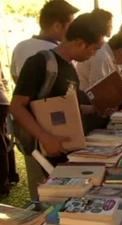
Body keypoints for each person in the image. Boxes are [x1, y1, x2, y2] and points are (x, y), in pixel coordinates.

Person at [10, 13, 105, 200]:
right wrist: (45, 137)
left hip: (63, 149)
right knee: (45, 200)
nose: (93, 54)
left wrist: (93, 109)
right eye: (93, 49)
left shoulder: (70, 68)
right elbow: (17, 106)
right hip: (40, 149)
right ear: (80, 42)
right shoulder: (39, 63)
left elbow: (64, 106)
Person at [10, 0, 78, 82]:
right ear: (57, 26)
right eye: (70, 25)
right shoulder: (59, 52)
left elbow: (15, 77)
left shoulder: (20, 47)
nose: (72, 30)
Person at [0, 62, 18, 197]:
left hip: (1, 102)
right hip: (3, 101)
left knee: (1, 142)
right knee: (3, 139)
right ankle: (11, 176)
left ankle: (2, 185)